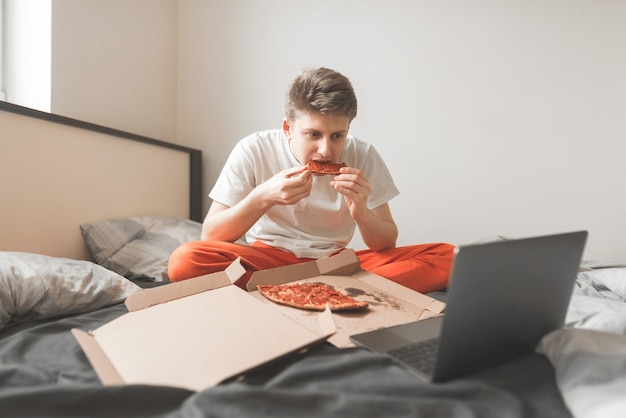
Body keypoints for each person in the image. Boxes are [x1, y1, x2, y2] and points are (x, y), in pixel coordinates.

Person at [168, 67, 454, 293]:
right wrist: (263, 197)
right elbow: (211, 235)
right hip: (269, 260)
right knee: (185, 260)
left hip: (337, 263)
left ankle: (296, 289)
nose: (326, 150)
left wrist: (362, 212)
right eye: (314, 135)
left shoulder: (363, 154)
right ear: (288, 128)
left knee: (449, 257)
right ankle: (339, 292)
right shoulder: (253, 148)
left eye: (337, 136)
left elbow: (386, 242)